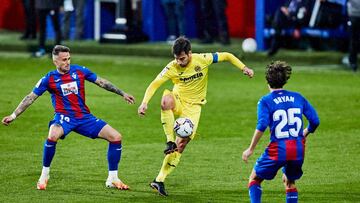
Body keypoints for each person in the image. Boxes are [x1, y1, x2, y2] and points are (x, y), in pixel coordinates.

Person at [2, 45, 135, 190]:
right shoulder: (49, 79)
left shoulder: (79, 71)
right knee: (53, 134)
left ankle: (113, 178)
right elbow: (30, 98)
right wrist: (13, 115)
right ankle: (44, 175)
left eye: (69, 59)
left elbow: (102, 82)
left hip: (84, 118)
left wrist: (122, 93)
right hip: (63, 118)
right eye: (64, 60)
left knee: (116, 137)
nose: (67, 62)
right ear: (55, 61)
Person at [138, 36, 254, 196]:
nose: (179, 62)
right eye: (176, 58)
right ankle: (169, 140)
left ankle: (159, 180)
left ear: (190, 53)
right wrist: (144, 102)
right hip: (178, 100)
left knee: (181, 146)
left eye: (182, 58)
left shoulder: (203, 59)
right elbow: (155, 84)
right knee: (166, 101)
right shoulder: (172, 67)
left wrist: (244, 68)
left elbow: (227, 55)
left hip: (193, 109)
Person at [242, 61, 320, 203]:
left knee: (255, 178)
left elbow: (262, 124)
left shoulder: (265, 101)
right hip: (298, 149)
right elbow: (315, 121)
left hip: (278, 149)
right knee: (289, 182)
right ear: (285, 80)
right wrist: (305, 132)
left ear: (267, 81)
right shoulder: (298, 97)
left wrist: (251, 148)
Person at [347, 0, 360, 71]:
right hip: (353, 14)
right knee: (354, 40)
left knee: (354, 40)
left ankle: (352, 62)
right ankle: (352, 62)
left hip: (353, 14)